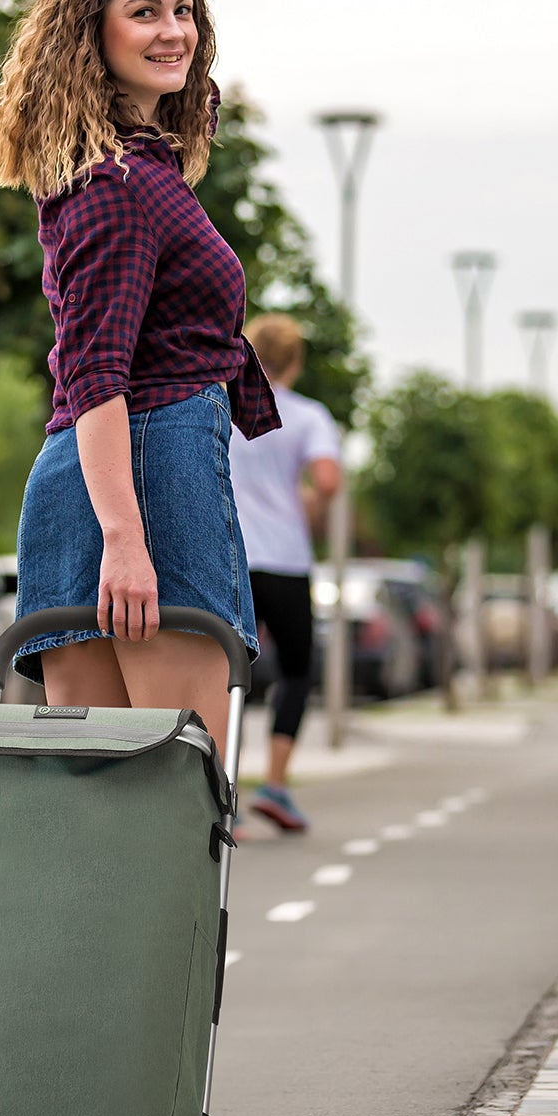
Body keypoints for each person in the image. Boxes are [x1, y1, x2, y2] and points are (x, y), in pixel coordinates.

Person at [0, 0, 279, 754]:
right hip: (148, 479)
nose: (173, 31)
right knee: (181, 794)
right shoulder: (118, 184)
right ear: (93, 33)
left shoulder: (124, 170)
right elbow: (96, 371)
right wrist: (125, 539)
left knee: (103, 820)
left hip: (98, 480)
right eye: (144, 12)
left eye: (183, 11)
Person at [227, 313, 341, 832]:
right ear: (295, 360)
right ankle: (275, 783)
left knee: (231, 675)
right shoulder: (309, 416)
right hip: (287, 561)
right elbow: (328, 479)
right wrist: (309, 508)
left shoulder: (223, 404)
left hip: (228, 555)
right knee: (296, 671)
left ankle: (222, 797)